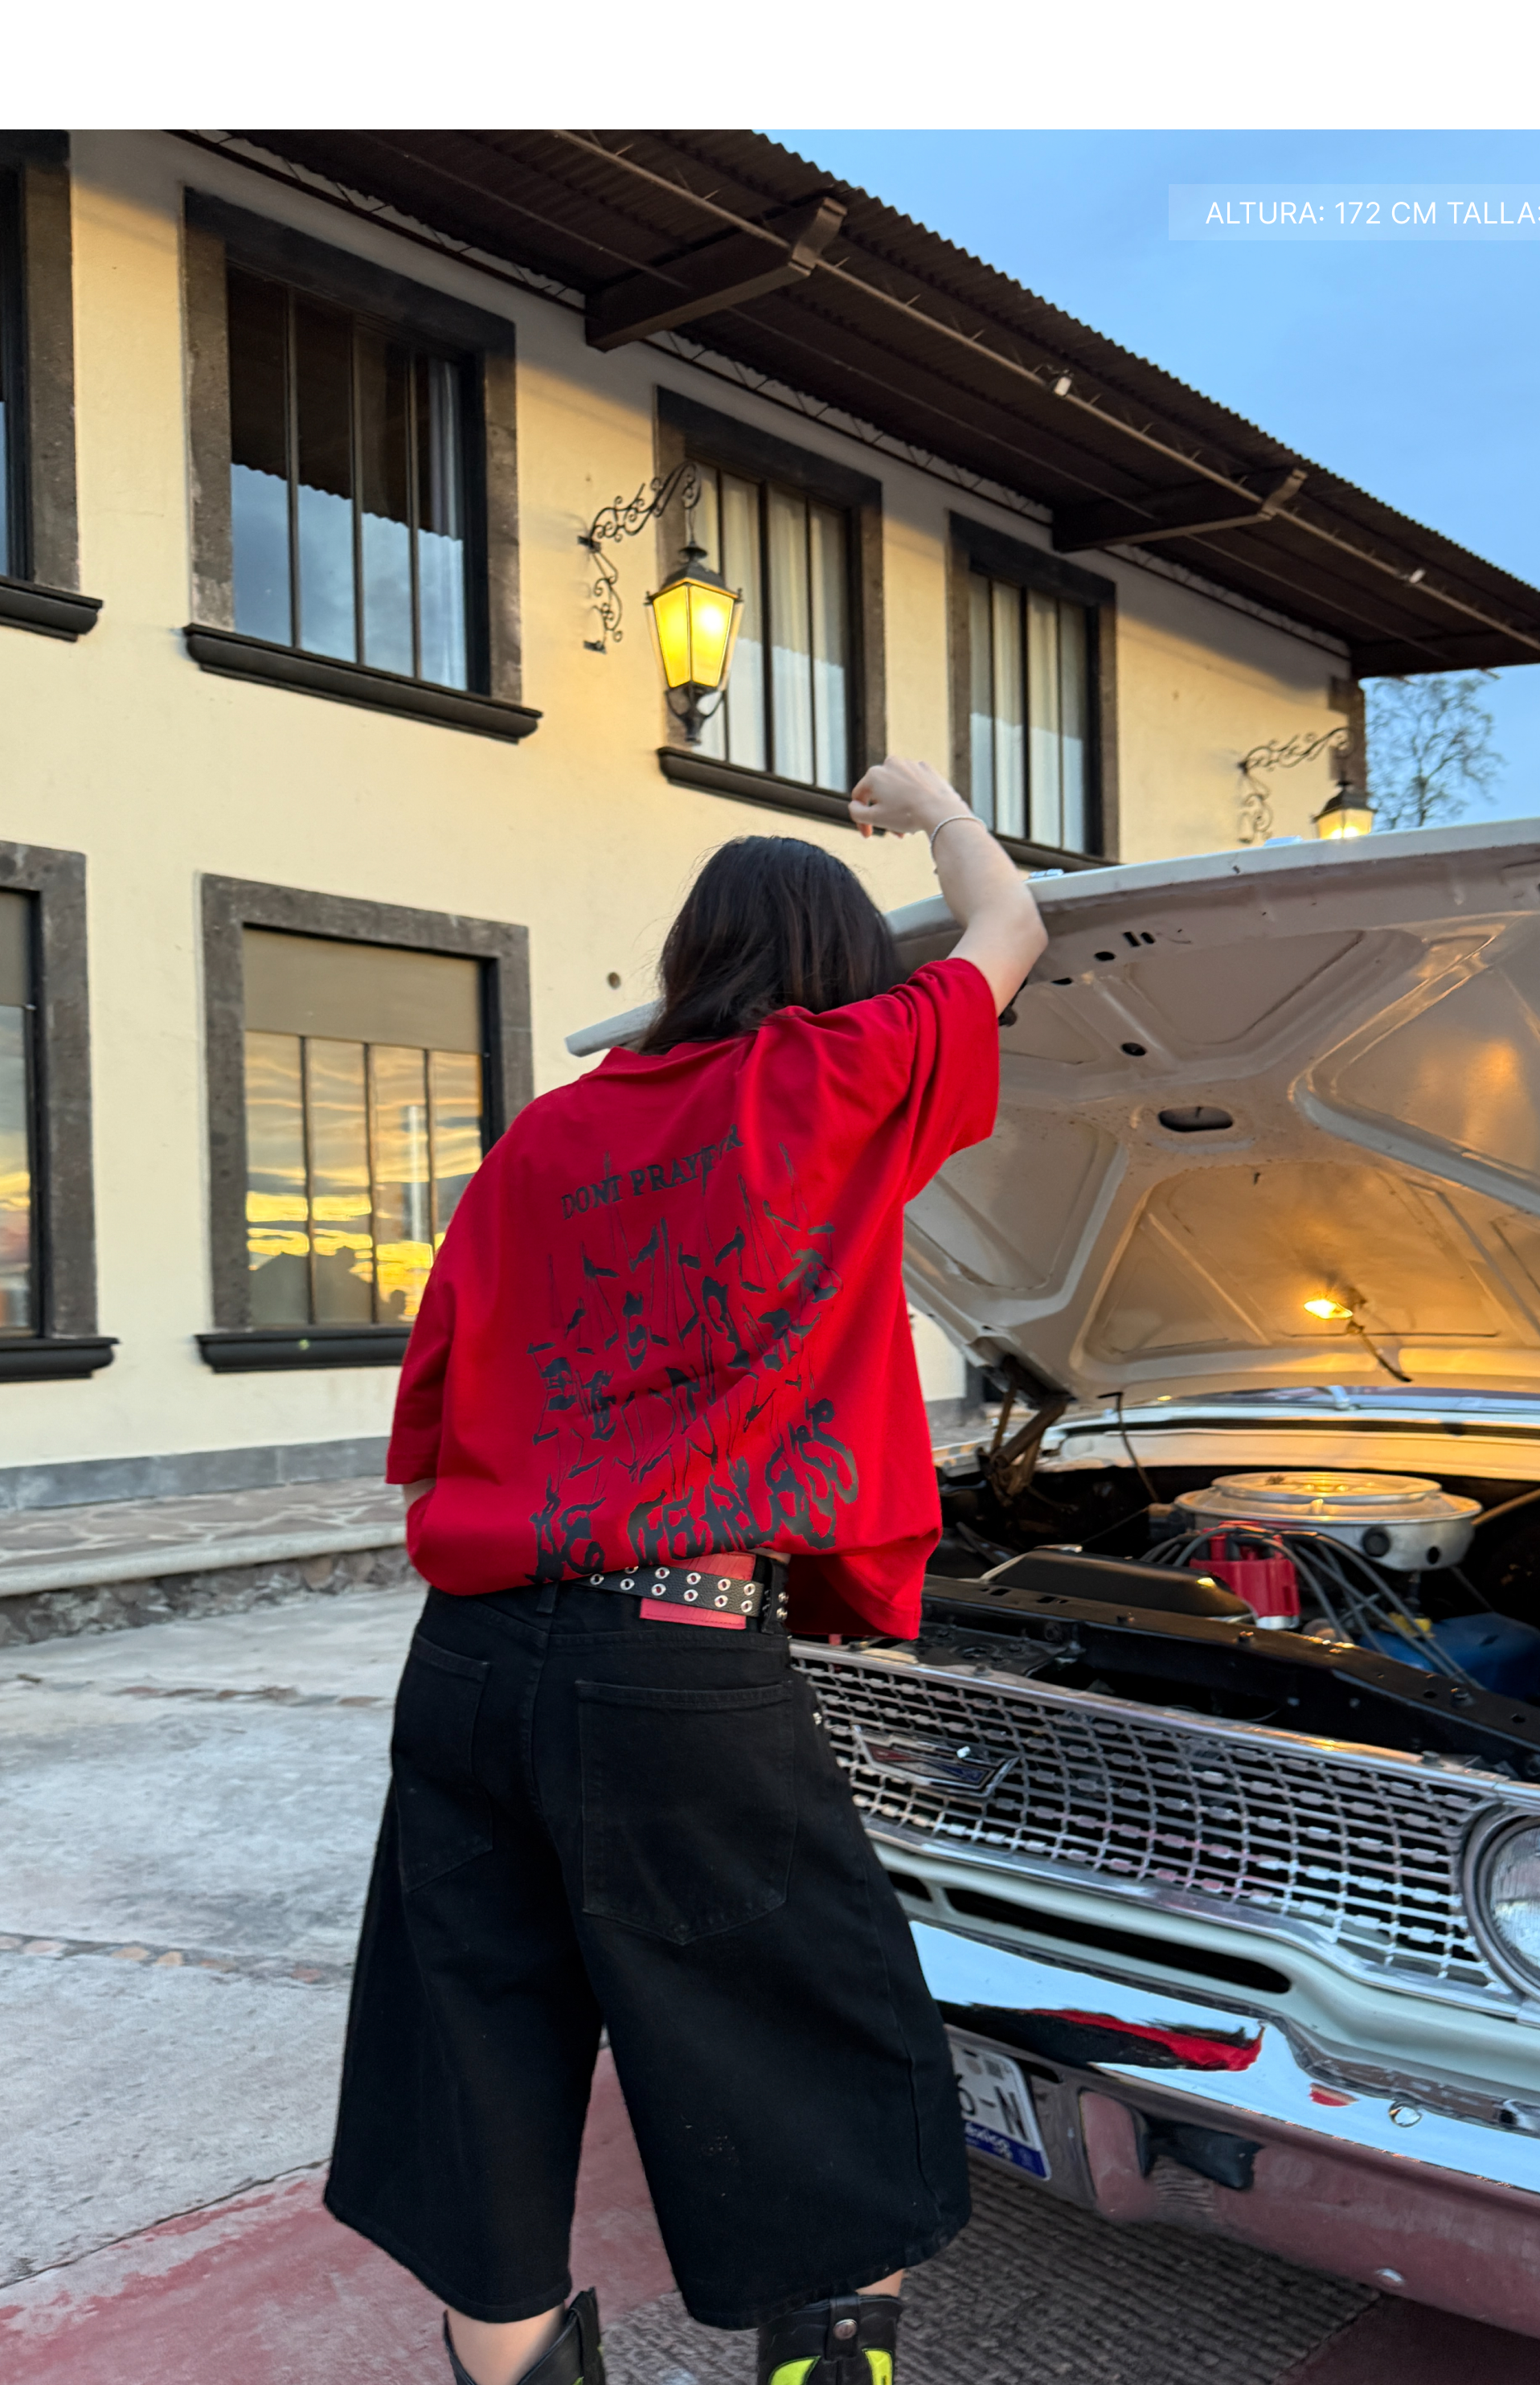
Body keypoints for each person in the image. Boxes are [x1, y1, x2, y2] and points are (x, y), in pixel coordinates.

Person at [324, 756, 1047, 2385]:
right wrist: (931, 804)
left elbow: (439, 1391)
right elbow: (1010, 925)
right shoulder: (843, 1074)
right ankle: (823, 2357)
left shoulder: (545, 1138)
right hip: (680, 1652)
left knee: (476, 2038)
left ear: (683, 964)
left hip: (470, 1654)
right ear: (835, 971)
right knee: (799, 2016)